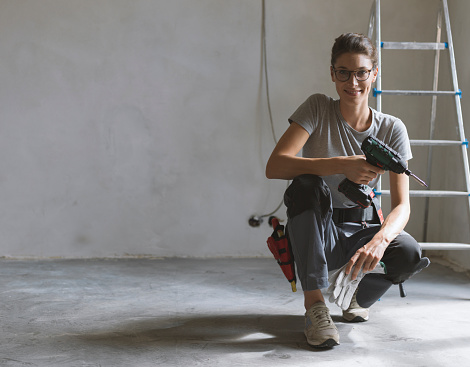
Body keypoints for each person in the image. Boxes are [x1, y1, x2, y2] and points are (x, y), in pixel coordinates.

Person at [265, 33, 430, 349]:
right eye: (343, 72)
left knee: (408, 253)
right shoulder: (317, 108)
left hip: (363, 226)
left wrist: (380, 241)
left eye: (361, 72)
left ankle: (357, 295)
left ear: (374, 74)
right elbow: (275, 167)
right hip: (317, 227)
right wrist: (342, 164)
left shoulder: (392, 128)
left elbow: (402, 206)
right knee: (306, 184)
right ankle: (315, 307)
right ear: (332, 73)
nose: (352, 82)